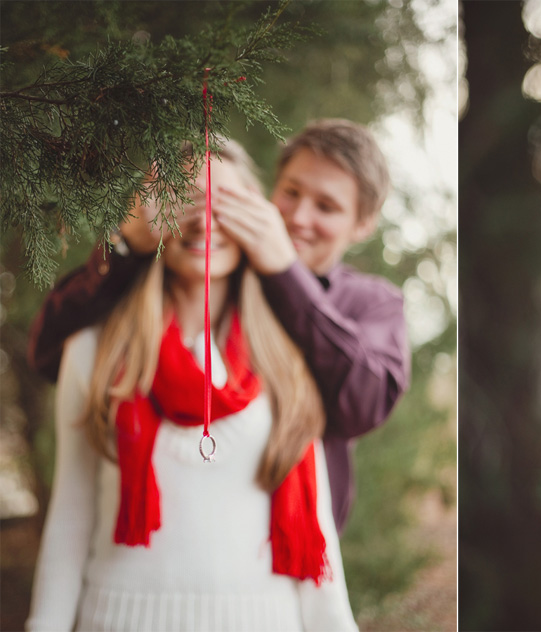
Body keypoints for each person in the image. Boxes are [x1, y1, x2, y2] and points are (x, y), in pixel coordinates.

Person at [27, 141, 358, 632]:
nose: (203, 221)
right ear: (146, 217)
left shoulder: (289, 354)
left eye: (223, 204)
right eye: (182, 200)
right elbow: (71, 517)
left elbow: (318, 537)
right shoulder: (94, 349)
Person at [29, 119, 411, 533]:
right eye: (291, 192)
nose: (299, 217)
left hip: (290, 550)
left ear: (363, 224)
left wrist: (287, 276)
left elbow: (363, 406)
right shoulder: (212, 270)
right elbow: (50, 352)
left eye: (327, 207)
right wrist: (129, 247)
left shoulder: (373, 303)